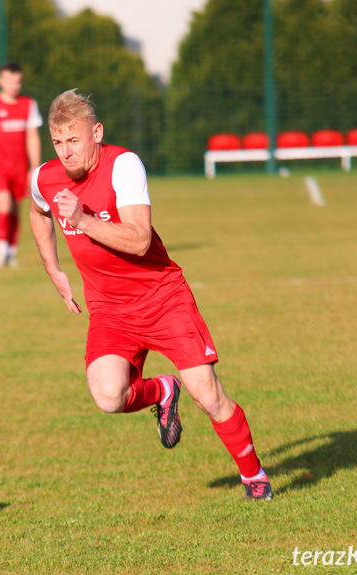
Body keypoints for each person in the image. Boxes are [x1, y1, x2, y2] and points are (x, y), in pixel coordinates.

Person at [29, 89, 272, 500]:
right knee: (108, 396)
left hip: (162, 298)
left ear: (97, 133)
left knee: (208, 395)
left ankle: (253, 474)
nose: (66, 152)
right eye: (57, 143)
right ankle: (161, 390)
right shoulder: (46, 177)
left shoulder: (123, 165)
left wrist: (83, 220)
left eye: (74, 140)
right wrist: (53, 267)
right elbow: (37, 209)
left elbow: (140, 240)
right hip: (109, 310)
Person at [0, 62, 42, 268]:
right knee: (3, 205)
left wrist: (35, 167)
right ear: (0, 81)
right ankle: (0, 252)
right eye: (10, 82)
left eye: (18, 82)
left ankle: (12, 252)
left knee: (16, 208)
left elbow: (33, 137)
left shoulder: (28, 104)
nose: (14, 86)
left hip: (20, 167)